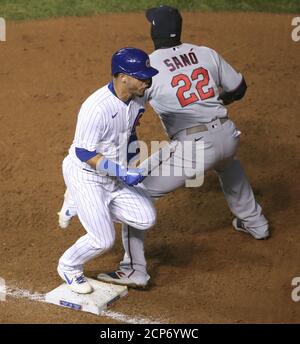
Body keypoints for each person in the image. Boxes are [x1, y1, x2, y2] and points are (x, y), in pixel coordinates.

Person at [60, 6, 269, 289]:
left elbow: (130, 107)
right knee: (228, 164)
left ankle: (133, 269)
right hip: (228, 135)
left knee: (139, 190)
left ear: (153, 31)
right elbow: (239, 88)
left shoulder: (151, 69)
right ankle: (256, 223)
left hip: (195, 146)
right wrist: (213, 106)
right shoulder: (205, 52)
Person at [56, 47, 158, 293]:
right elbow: (84, 152)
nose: (148, 81)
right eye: (141, 76)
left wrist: (132, 163)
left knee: (146, 218)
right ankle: (68, 266)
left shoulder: (138, 98)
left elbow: (130, 130)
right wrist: (122, 173)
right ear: (123, 77)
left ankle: (83, 204)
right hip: (87, 174)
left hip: (113, 173)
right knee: (102, 240)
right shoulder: (96, 107)